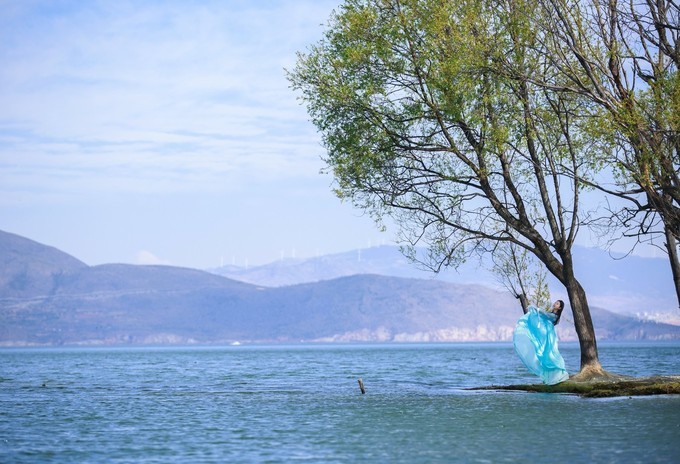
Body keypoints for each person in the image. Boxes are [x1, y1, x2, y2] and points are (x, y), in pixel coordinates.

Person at [513, 300, 569, 385]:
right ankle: (549, 378)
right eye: (555, 302)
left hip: (549, 338)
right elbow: (542, 318)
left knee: (551, 354)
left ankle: (558, 376)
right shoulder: (551, 314)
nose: (555, 304)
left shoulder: (554, 316)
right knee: (545, 356)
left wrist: (537, 309)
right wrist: (535, 311)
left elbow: (545, 315)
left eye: (557, 304)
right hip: (545, 337)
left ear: (560, 308)